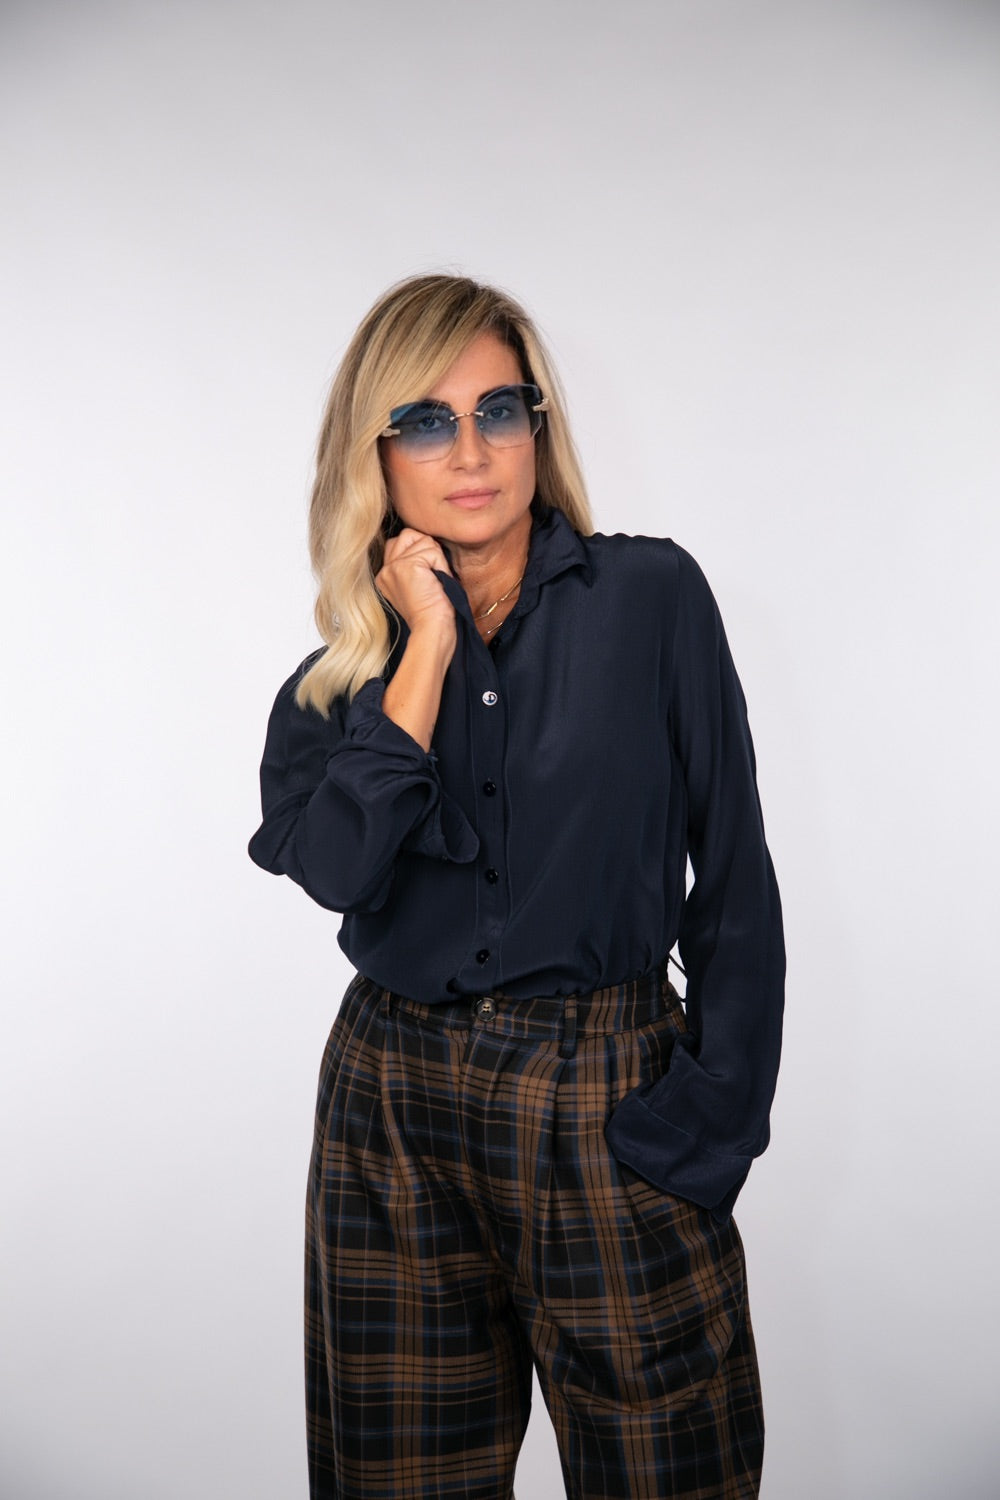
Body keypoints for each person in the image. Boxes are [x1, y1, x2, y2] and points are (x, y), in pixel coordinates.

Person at [248, 273, 784, 1500]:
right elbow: (337, 870)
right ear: (373, 454)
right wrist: (426, 647)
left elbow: (734, 875)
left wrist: (712, 1121)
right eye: (425, 422)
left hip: (607, 1098)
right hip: (392, 1110)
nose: (472, 451)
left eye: (501, 409)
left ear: (538, 425)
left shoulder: (651, 600)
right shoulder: (337, 687)